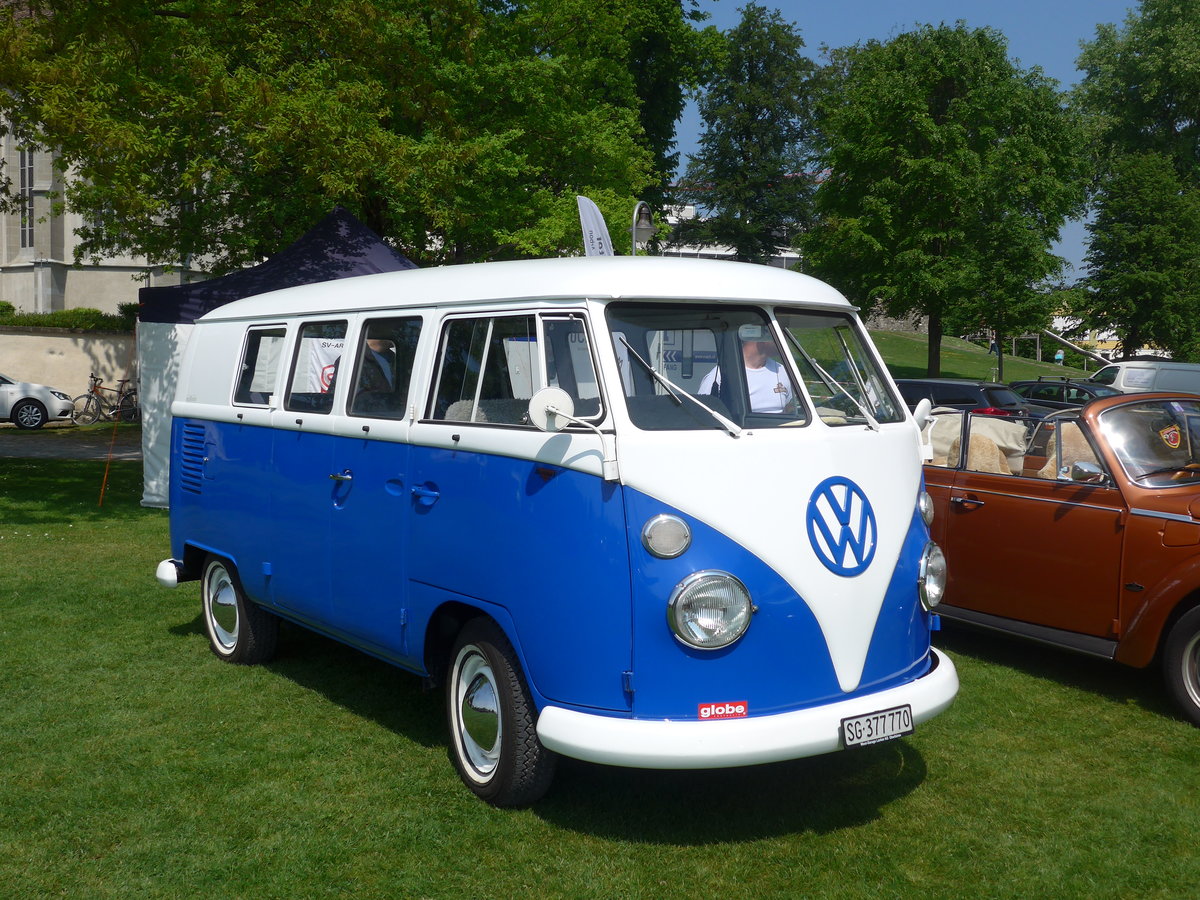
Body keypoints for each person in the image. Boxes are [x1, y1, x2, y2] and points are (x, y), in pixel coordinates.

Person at [699, 325, 794, 413]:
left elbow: (788, 409)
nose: (784, 339)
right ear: (762, 335)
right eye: (779, 333)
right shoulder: (720, 376)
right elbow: (703, 415)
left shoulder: (781, 370)